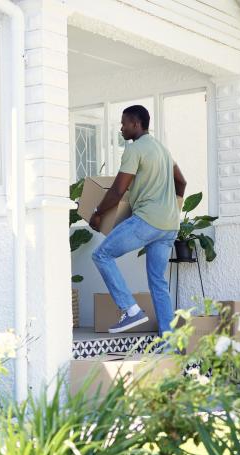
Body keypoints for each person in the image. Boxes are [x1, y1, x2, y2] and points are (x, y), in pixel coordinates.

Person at [90, 105, 186, 336]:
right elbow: (181, 182)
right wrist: (172, 207)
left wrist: (98, 212)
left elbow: (117, 190)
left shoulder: (135, 150)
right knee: (158, 282)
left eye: (124, 124)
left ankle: (130, 309)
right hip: (170, 225)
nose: (121, 129)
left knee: (101, 255)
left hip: (147, 220)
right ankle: (169, 340)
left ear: (136, 124)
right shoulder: (163, 150)